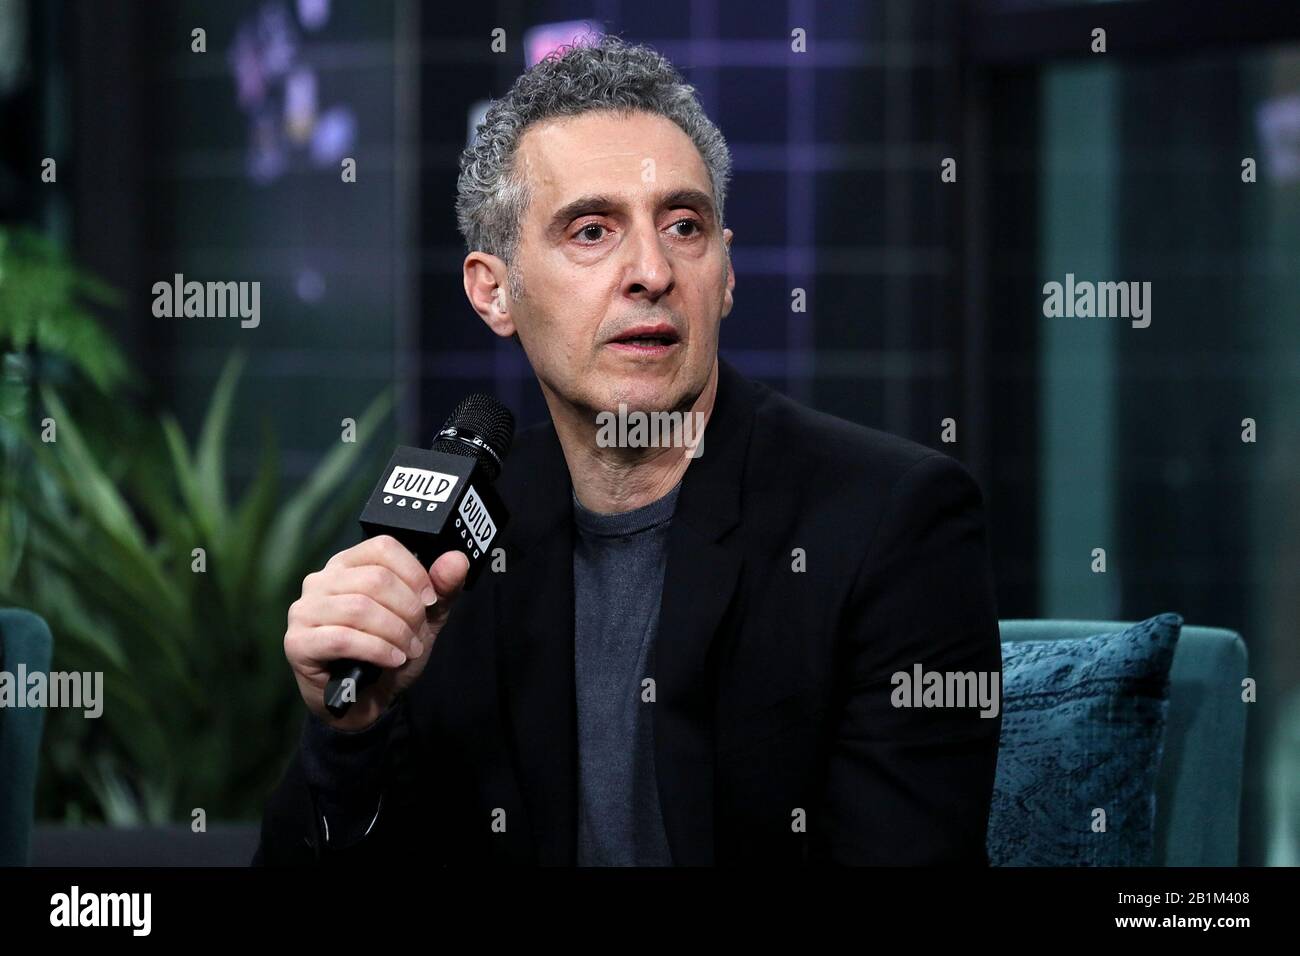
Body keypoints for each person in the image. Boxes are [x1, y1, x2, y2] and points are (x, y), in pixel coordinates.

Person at [254, 35, 1001, 866]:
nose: (651, 270)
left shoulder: (891, 522)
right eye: (592, 231)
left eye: (685, 226)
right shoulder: (453, 543)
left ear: (724, 272)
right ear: (492, 291)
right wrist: (349, 735)